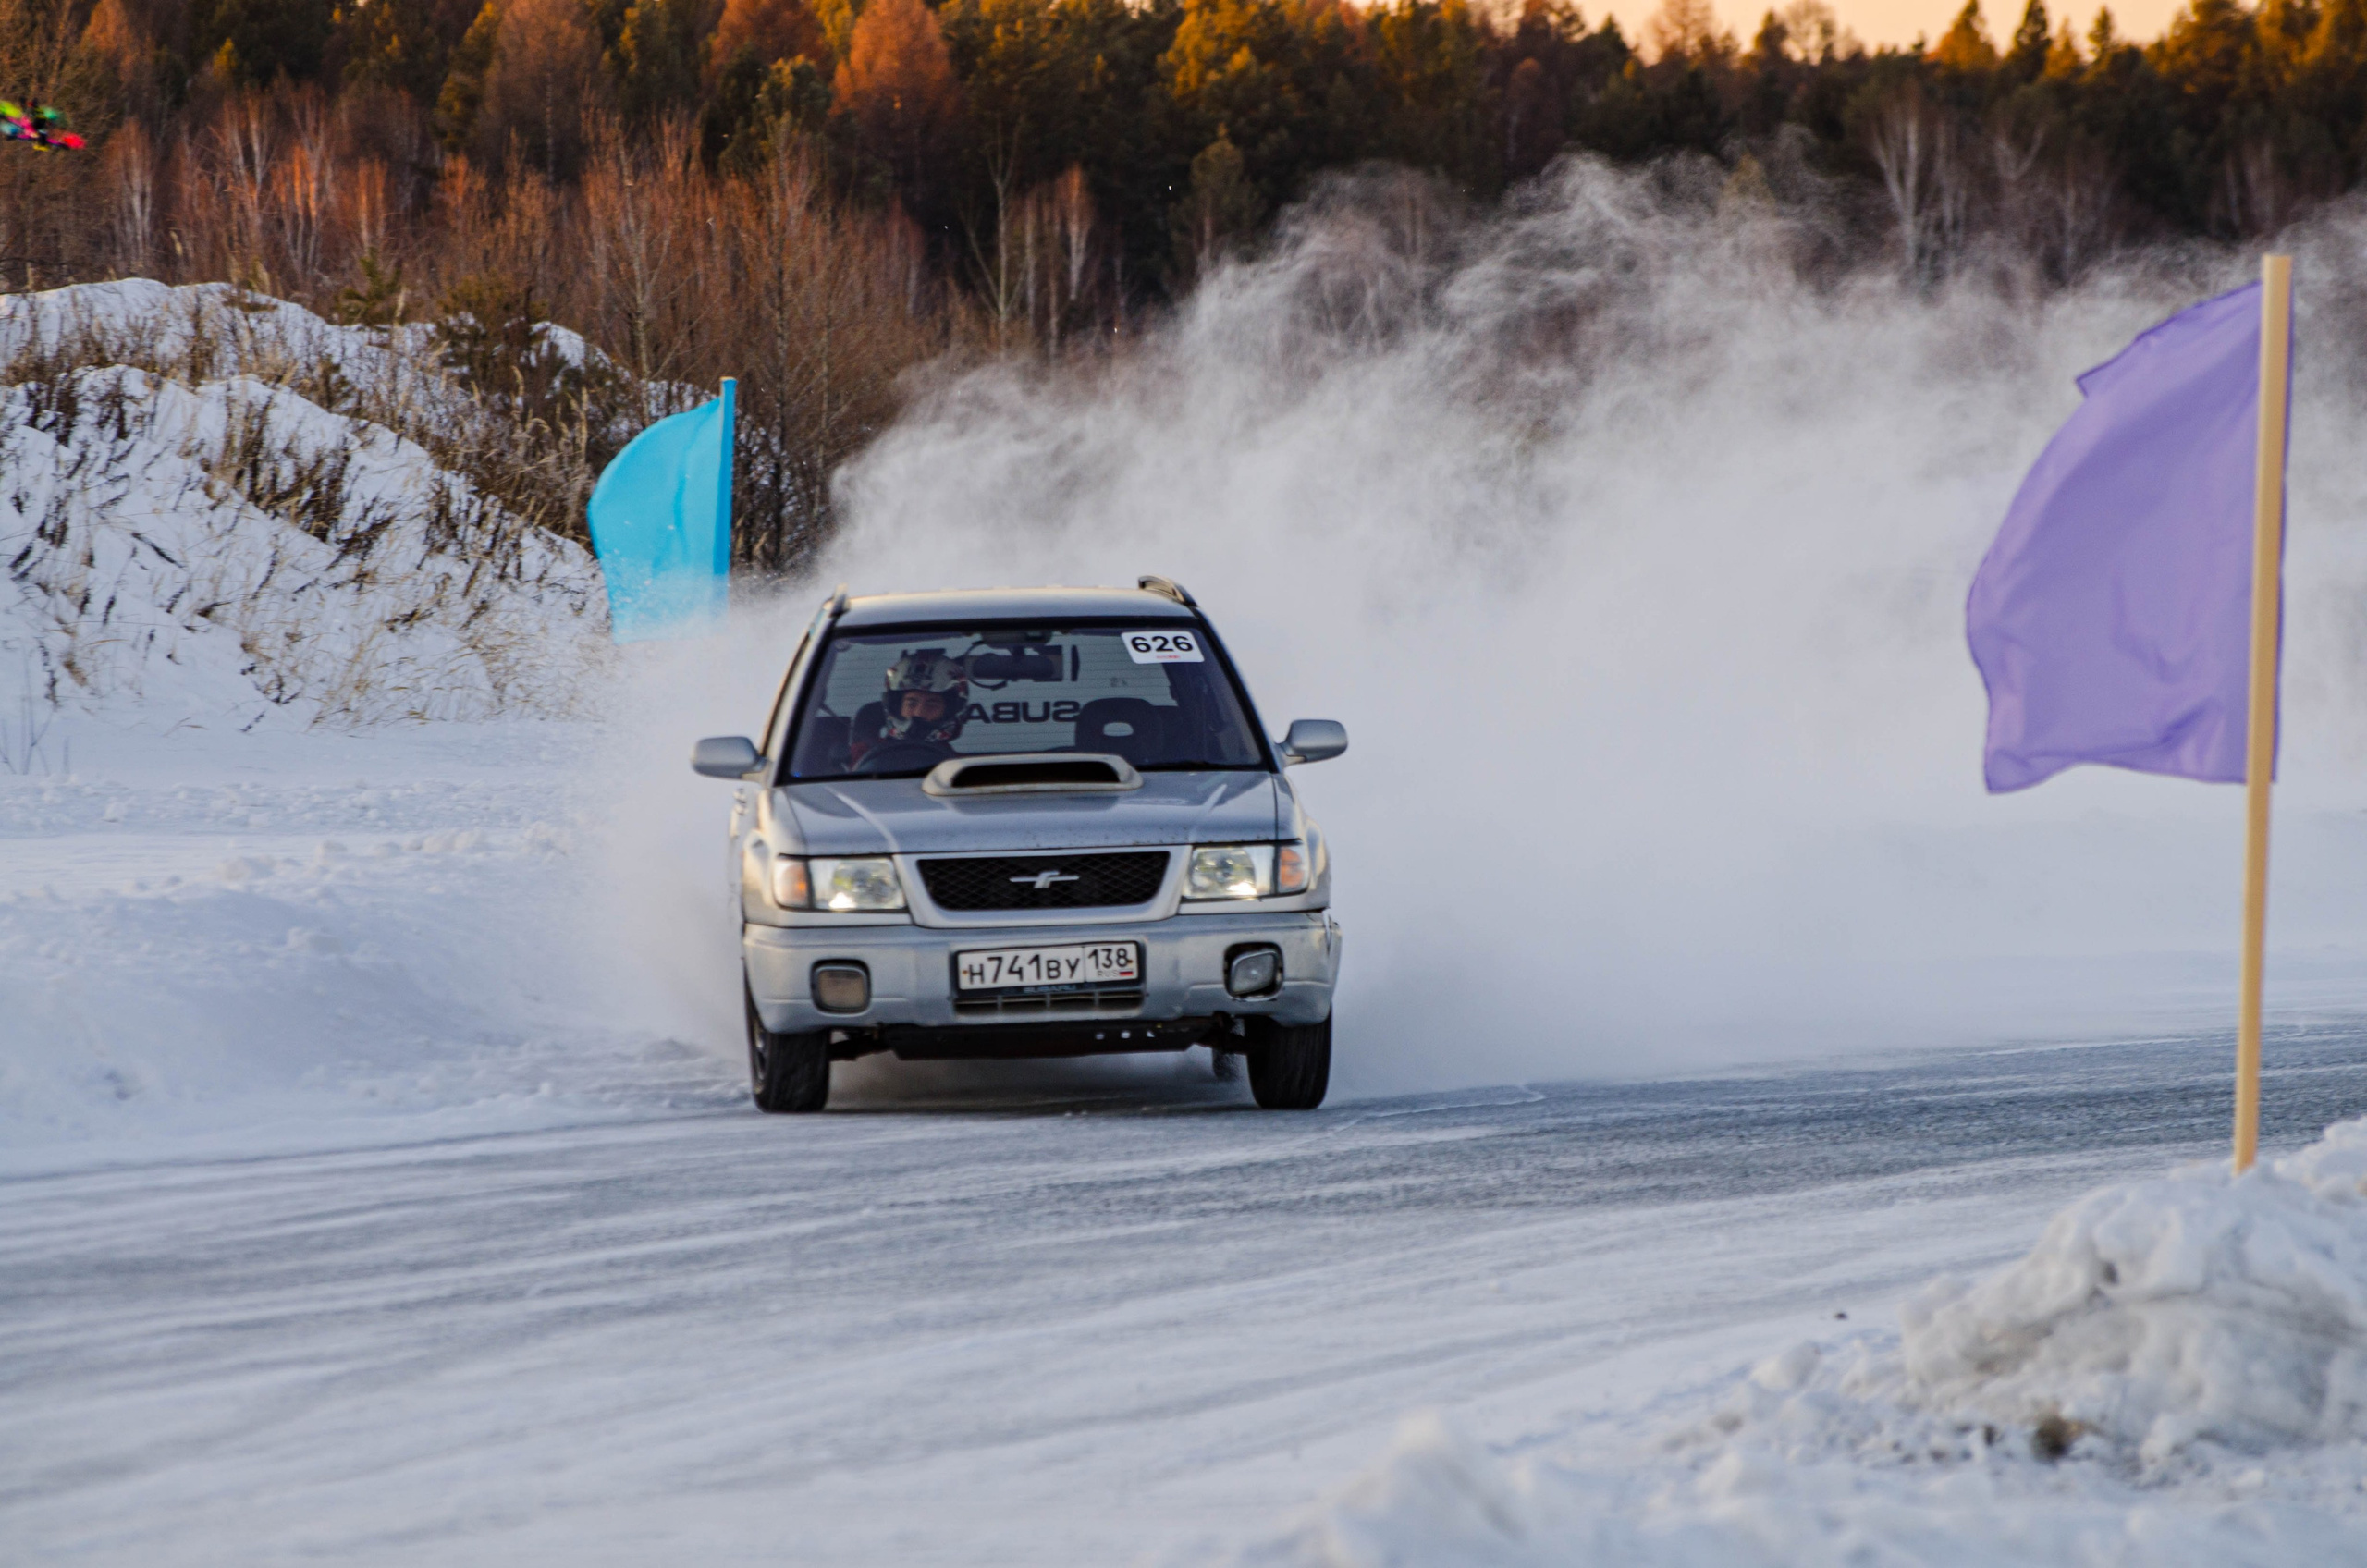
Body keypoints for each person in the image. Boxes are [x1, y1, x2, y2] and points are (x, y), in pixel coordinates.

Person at [848, 650, 970, 767]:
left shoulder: (963, 770)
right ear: (897, 707)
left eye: (932, 705)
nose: (919, 713)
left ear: (949, 711)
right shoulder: (860, 757)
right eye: (911, 704)